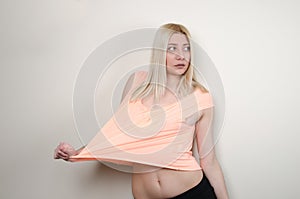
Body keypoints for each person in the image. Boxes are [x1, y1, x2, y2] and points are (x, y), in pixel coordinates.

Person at [54, 23, 229, 199]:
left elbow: (209, 161)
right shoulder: (136, 83)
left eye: (186, 49)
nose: (181, 56)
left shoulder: (200, 97)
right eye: (172, 48)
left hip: (191, 193)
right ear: (160, 53)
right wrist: (78, 153)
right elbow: (117, 135)